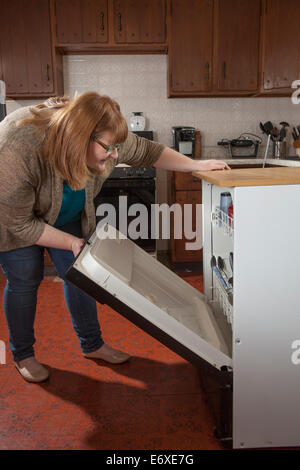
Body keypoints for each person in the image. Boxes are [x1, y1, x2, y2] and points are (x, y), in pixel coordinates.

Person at [0, 92, 230, 383]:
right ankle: (24, 354)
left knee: (81, 275)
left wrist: (195, 164)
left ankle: (92, 344)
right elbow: (19, 224)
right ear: (79, 138)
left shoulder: (105, 134)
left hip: (66, 211)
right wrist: (70, 242)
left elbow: (149, 152)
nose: (116, 156)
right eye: (109, 149)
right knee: (24, 278)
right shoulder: (17, 143)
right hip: (16, 216)